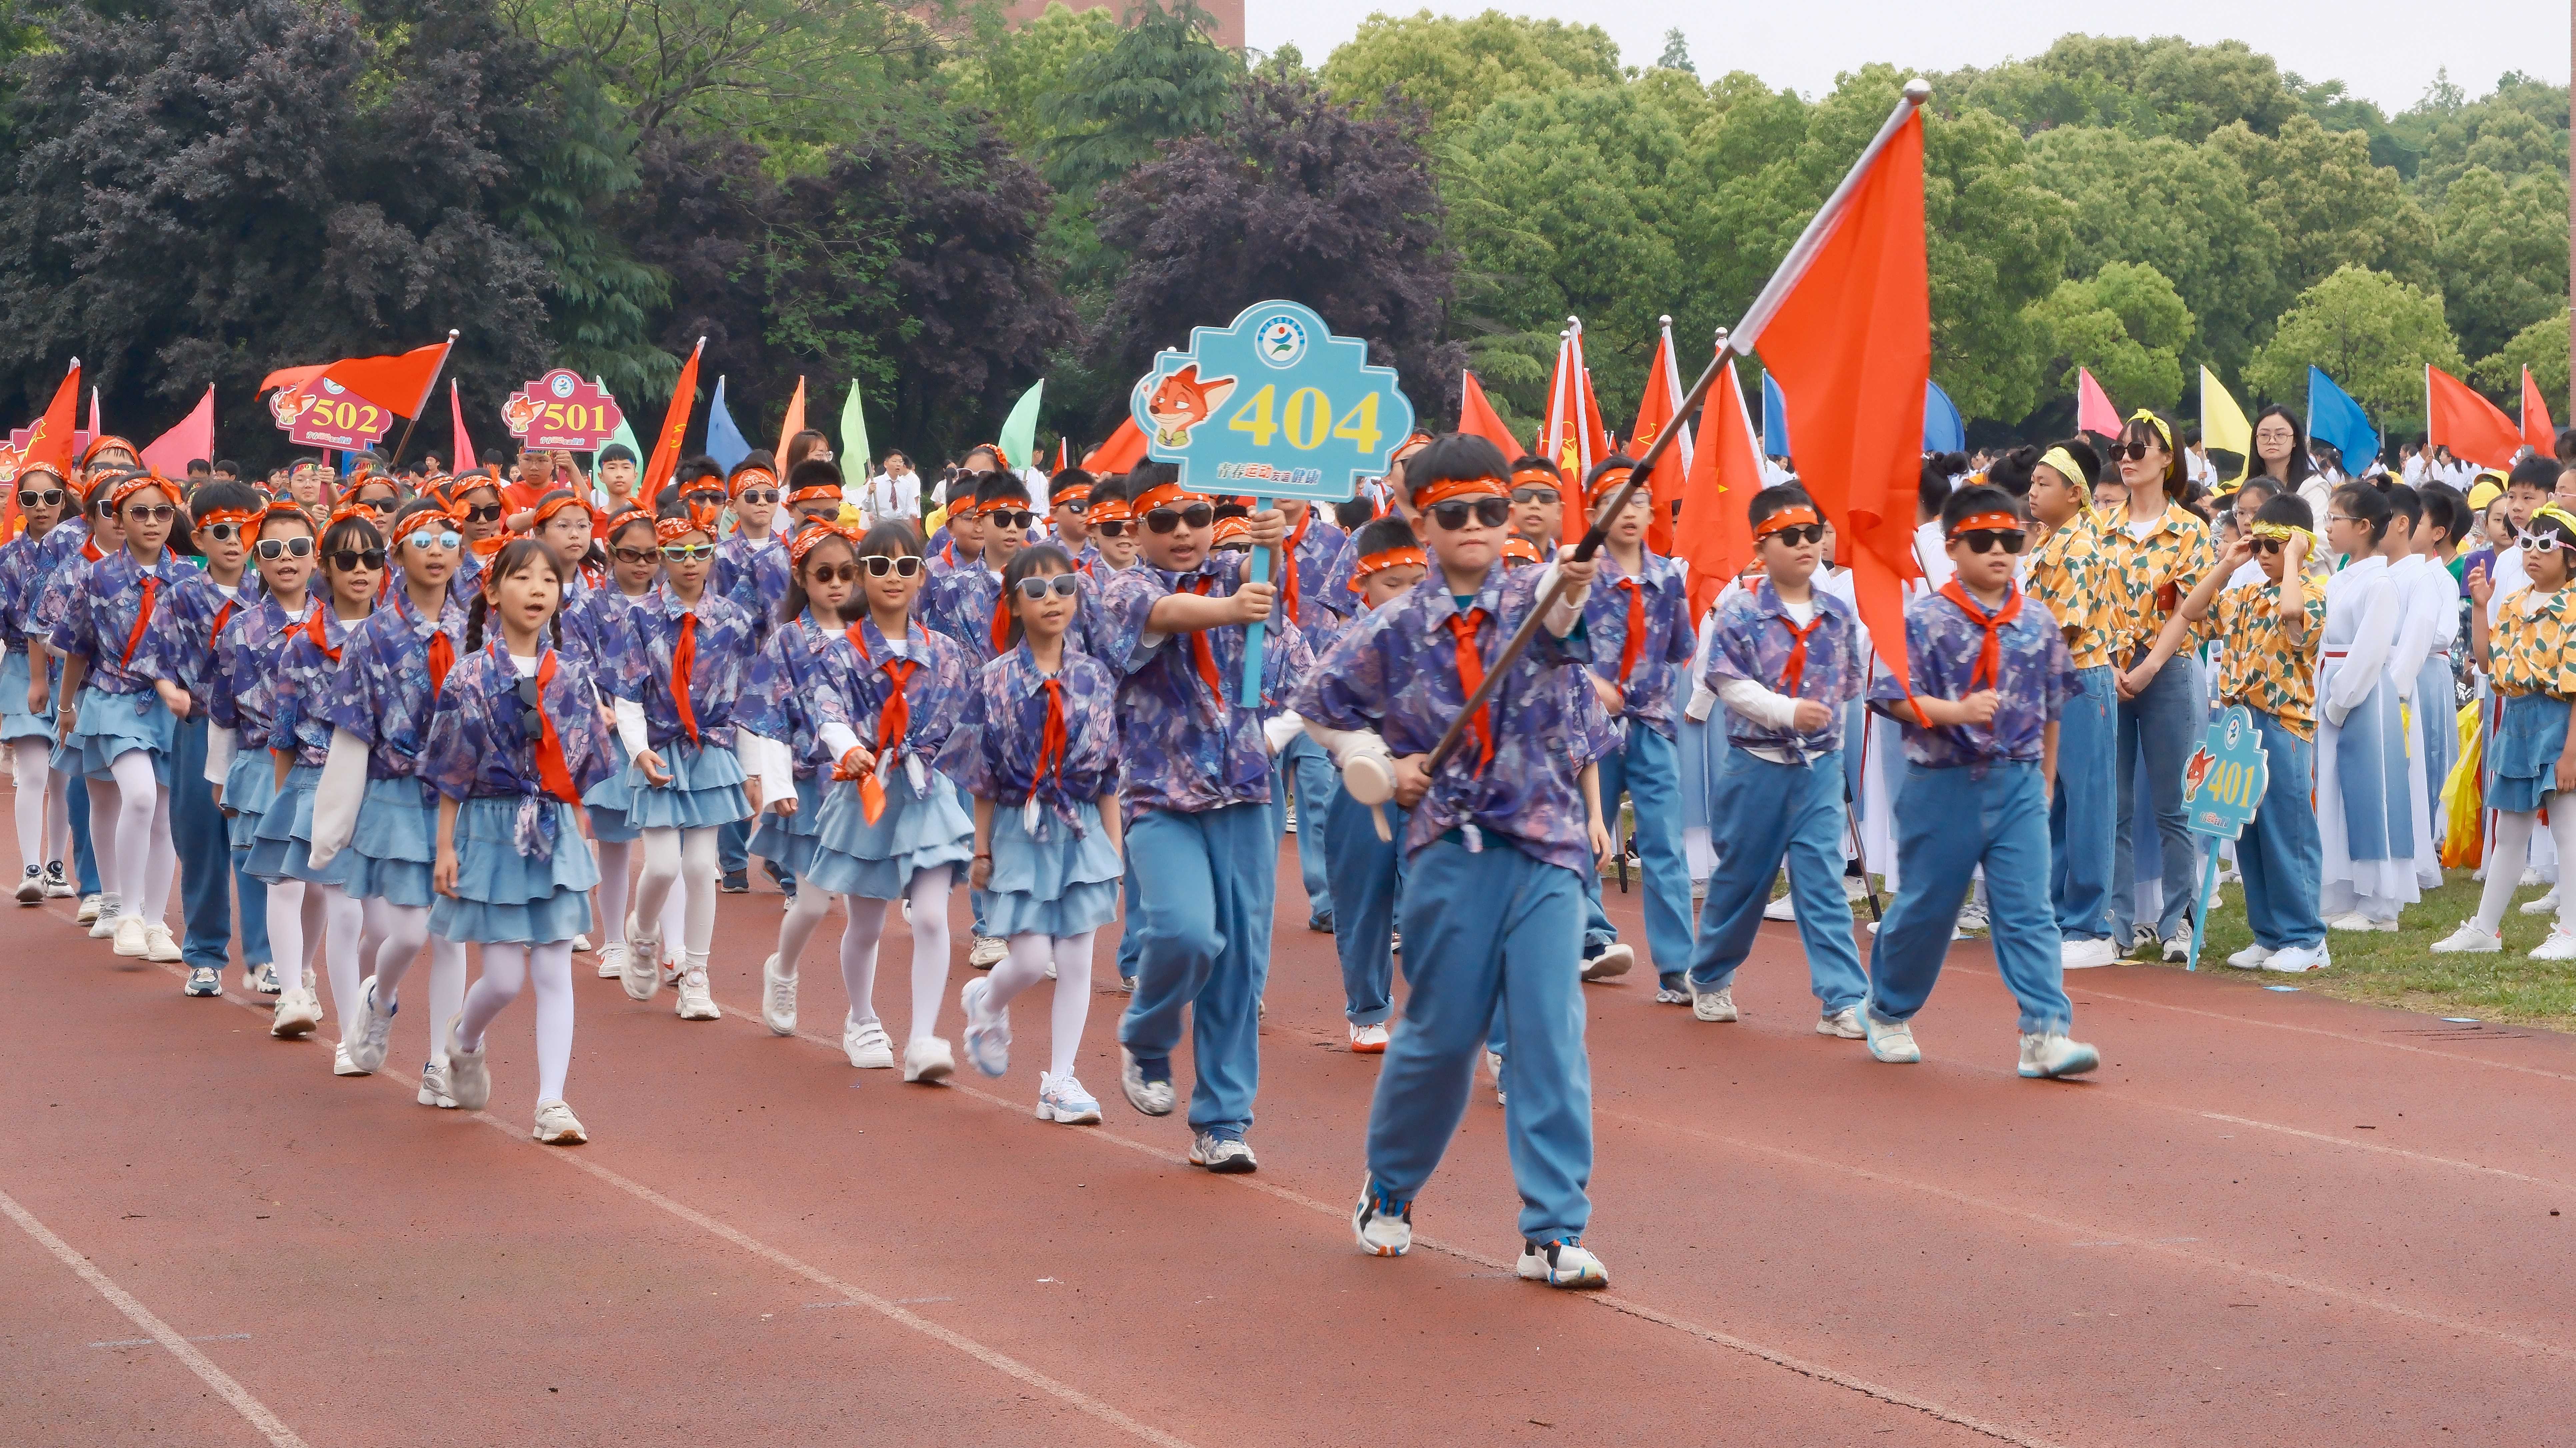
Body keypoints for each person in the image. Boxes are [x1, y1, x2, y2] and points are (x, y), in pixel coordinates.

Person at [1296, 433, 1609, 1287]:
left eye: (1492, 510)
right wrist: (1376, 763)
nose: (1476, 526)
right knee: (1439, 1039)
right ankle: (1391, 1187)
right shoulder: (1391, 626)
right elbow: (1319, 704)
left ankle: (1552, 1226)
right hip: (1450, 852)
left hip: (1545, 849)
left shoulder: (1533, 598)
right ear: (1419, 520)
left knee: (1550, 1032)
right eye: (1455, 513)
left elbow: (1563, 607)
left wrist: (1566, 584)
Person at [1861, 483, 2098, 1079]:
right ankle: (1887, 1009)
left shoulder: (2037, 621)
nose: (1999, 551)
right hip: (1942, 782)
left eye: (2011, 540)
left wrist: (2044, 781)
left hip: (2017, 780)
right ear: (1953, 546)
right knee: (1927, 907)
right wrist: (1956, 711)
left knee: (2027, 908)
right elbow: (1892, 697)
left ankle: (2044, 1030)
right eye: (1984, 540)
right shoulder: (1924, 617)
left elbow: (2051, 708)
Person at [1095, 462, 1285, 1172]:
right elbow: (1163, 618)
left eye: (1196, 517)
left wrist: (1278, 536)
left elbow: (1280, 615)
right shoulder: (1120, 586)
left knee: (1237, 966)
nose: (1183, 534)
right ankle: (1147, 1035)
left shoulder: (1243, 569)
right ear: (1137, 527)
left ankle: (1224, 1121)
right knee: (1182, 931)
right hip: (1159, 796)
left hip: (1244, 791)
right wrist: (1236, 608)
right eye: (1163, 521)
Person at [427, 538, 618, 1144]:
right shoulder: (467, 675)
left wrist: (581, 836)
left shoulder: (574, 676)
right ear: (491, 592)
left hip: (555, 829)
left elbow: (588, 766)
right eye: (522, 578)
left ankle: (552, 1101)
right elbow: (451, 769)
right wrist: (445, 847)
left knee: (556, 967)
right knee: (505, 977)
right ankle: (464, 1039)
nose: (538, 589)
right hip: (489, 828)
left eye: (549, 580)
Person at [1678, 485, 1871, 1033]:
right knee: (1742, 883)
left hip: (1817, 770)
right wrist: (1788, 711)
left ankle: (1842, 997)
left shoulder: (1837, 612)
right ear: (1761, 545)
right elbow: (1728, 684)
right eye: (1791, 536)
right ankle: (1711, 975)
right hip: (1754, 766)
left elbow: (1852, 678)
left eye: (1814, 532)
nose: (1807, 543)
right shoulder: (1739, 610)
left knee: (1823, 884)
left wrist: (1823, 721)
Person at [952, 545, 1124, 1123]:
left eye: (1063, 586)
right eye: (1036, 589)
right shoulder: (994, 679)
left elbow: (1108, 775)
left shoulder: (1095, 677)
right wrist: (979, 849)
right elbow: (980, 773)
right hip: (1020, 829)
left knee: (1077, 958)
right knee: (1027, 959)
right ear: (1014, 603)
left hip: (1080, 831)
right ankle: (987, 998)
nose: (1052, 598)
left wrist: (1114, 851)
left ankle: (1061, 1079)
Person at [307, 497, 473, 1093]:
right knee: (408, 933)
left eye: (448, 538)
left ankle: (440, 1064)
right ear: (397, 554)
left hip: (461, 801)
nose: (437, 550)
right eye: (421, 538)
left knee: (451, 934)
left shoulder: (477, 627)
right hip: (397, 797)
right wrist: (331, 823)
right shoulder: (374, 634)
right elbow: (352, 733)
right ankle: (379, 996)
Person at [799, 521, 976, 1080]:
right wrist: (849, 747)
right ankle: (861, 1017)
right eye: (878, 566)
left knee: (929, 916)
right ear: (860, 576)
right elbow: (826, 710)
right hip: (868, 789)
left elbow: (965, 725)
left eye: (905, 566)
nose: (893, 577)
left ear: (922, 576)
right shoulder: (840, 652)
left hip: (926, 791)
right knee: (868, 923)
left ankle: (924, 1036)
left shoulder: (945, 652)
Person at [2160, 495, 2330, 971]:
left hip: (2283, 725)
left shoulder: (2311, 592)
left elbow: (2295, 615)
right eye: (2258, 544)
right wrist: (2226, 564)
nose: (2263, 554)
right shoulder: (2244, 594)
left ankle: (2306, 937)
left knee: (2287, 833)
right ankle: (2270, 934)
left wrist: (2295, 560)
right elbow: (2192, 610)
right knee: (2247, 833)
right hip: (2237, 725)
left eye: (2274, 545)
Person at [603, 504, 758, 1021]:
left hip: (710, 750)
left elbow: (748, 700)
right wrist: (638, 749)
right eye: (677, 553)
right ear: (662, 558)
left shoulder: (735, 620)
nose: (690, 562)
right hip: (659, 746)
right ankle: (642, 932)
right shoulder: (641, 616)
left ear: (715, 553)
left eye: (701, 551)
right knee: (664, 866)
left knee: (698, 867)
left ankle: (697, 976)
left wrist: (754, 768)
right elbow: (627, 693)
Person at [247, 507, 383, 1054]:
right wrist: (283, 794)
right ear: (325, 566)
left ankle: (345, 997)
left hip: (373, 787)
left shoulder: (396, 638)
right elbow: (283, 729)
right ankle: (295, 993)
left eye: (371, 558)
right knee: (286, 883)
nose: (359, 568)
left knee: (357, 910)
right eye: (346, 558)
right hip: (308, 777)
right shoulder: (302, 642)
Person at [54, 472, 195, 962]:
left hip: (170, 708)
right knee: (133, 798)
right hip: (113, 698)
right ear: (118, 518)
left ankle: (155, 922)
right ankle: (125, 909)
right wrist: (66, 707)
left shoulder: (189, 577)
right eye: (140, 512)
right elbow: (77, 646)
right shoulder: (97, 575)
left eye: (162, 512)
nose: (152, 522)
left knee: (162, 816)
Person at [740, 520, 867, 1036]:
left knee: (865, 908)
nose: (837, 583)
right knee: (813, 902)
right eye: (824, 574)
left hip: (866, 785)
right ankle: (784, 970)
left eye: (847, 573)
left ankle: (863, 1017)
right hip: (813, 783)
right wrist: (774, 784)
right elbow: (764, 715)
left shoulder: (874, 634)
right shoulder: (788, 641)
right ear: (802, 577)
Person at [1572, 458, 1694, 991]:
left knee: (1664, 843)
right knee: (1585, 834)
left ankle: (1677, 967)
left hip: (1653, 726)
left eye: (1639, 501)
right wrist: (1591, 684)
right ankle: (1589, 939)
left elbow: (1678, 650)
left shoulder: (1669, 577)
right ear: (1594, 512)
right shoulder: (1579, 577)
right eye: (1615, 502)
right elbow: (1557, 648)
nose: (1629, 512)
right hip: (1591, 726)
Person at [142, 482, 269, 996]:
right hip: (199, 727)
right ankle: (205, 955)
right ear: (200, 536)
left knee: (257, 843)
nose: (234, 541)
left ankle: (265, 958)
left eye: (244, 530)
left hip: (258, 736)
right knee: (201, 840)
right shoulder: (182, 594)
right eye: (221, 531)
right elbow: (156, 657)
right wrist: (170, 691)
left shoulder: (273, 591)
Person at [2099, 411, 2214, 962]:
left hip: (2165, 669)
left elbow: (2188, 611)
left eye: (2139, 450)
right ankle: (2119, 923)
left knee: (2173, 803)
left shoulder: (2189, 529)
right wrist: (2110, 662)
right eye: (2122, 449)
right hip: (2107, 668)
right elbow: (2089, 603)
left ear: (2166, 458)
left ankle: (2179, 920)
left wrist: (2148, 666)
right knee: (2114, 803)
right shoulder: (2101, 526)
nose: (2127, 458)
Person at [1310, 517, 1427, 1050]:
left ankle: (1472, 1027)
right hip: (1362, 794)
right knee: (1363, 903)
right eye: (1392, 584)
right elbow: (1317, 713)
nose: (1405, 595)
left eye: (1416, 582)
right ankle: (1367, 1007)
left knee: (1438, 901)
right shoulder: (1345, 641)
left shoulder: (1449, 636)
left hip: (1431, 790)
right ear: (1362, 585)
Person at [2439, 503, 2576, 957]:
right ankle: (2484, 928)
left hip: (2560, 720)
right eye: (2527, 543)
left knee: (2567, 831)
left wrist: (2571, 752)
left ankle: (2571, 929)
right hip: (2518, 721)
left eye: (2546, 545)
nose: (2533, 554)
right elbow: (2486, 662)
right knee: (2510, 832)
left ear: (2571, 556)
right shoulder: (2515, 601)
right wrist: (2481, 607)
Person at [202, 502, 320, 999]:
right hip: (262, 765)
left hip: (326, 770)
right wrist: (218, 775)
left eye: (299, 548)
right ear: (257, 559)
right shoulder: (239, 629)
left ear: (317, 557)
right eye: (272, 549)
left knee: (326, 890)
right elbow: (222, 708)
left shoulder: (340, 624)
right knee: (283, 880)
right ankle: (287, 986)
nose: (286, 558)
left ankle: (304, 972)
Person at [2020, 440, 2119, 966]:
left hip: (2079, 680)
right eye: (2033, 483)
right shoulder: (2049, 543)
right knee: (2057, 804)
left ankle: (2091, 925)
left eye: (2044, 484)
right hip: (2050, 683)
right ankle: (2061, 917)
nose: (2033, 492)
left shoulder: (2079, 546)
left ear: (2076, 494)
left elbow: (2061, 624)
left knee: (2087, 806)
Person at [2313, 483, 2416, 930]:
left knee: (2372, 792)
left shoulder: (2380, 583)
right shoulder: (2340, 579)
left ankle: (2379, 905)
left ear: (2362, 526)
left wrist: (2340, 701)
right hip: (2331, 689)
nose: (2328, 526)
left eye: (2335, 518)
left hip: (2362, 697)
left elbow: (2370, 651)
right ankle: (2341, 891)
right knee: (2335, 793)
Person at [714, 454, 793, 896]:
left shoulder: (790, 552)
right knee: (739, 771)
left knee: (782, 767)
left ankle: (780, 858)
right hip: (735, 674)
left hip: (781, 675)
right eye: (752, 496)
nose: (762, 503)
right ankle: (734, 860)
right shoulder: (721, 557)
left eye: (770, 495)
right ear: (735, 504)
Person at [1273, 489, 1351, 933]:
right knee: (1262, 803)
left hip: (1317, 691)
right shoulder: (1249, 538)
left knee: (1319, 795)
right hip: (1262, 694)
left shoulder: (1335, 543)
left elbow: (1348, 609)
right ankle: (1252, 896)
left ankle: (1325, 899)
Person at [2, 462, 77, 905]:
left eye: (51, 497)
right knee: (31, 772)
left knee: (63, 777)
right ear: (20, 504)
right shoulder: (7, 559)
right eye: (30, 498)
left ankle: (56, 865)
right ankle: (31, 867)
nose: (42, 506)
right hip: (18, 669)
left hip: (71, 672)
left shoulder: (81, 555)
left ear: (64, 501)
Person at [1507, 457, 1565, 560]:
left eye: (1546, 497)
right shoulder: (1487, 564)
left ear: (1559, 511)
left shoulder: (1569, 568)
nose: (1535, 505)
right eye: (1523, 495)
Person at [1083, 479, 1140, 573]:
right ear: (1091, 529)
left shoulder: (1164, 581)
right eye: (1113, 526)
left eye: (1134, 526)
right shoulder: (1078, 585)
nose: (1125, 533)